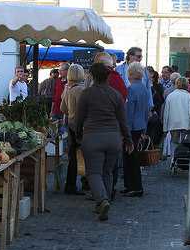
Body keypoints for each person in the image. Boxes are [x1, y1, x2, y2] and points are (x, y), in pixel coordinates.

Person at [76, 63, 132, 221]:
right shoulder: (116, 95)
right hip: (113, 138)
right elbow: (123, 121)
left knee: (93, 173)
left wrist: (78, 134)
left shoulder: (86, 94)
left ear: (92, 76)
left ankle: (101, 200)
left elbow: (79, 119)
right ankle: (104, 203)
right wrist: (128, 139)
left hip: (93, 137)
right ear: (108, 76)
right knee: (107, 172)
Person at [122, 62, 150, 197]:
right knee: (132, 157)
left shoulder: (131, 89)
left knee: (130, 157)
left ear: (130, 74)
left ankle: (135, 186)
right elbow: (146, 110)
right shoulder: (144, 89)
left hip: (132, 127)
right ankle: (130, 185)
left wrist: (125, 132)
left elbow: (129, 113)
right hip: (140, 126)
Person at [60, 64, 85, 195]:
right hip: (81, 126)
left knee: (72, 157)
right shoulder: (82, 90)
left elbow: (62, 109)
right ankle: (87, 183)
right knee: (84, 155)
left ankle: (70, 185)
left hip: (70, 125)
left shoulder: (67, 89)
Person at [163, 77, 190, 158]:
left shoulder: (170, 96)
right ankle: (182, 161)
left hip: (173, 125)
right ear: (187, 85)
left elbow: (166, 113)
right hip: (185, 125)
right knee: (184, 144)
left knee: (174, 143)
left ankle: (173, 160)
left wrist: (165, 128)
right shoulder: (189, 97)